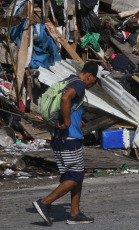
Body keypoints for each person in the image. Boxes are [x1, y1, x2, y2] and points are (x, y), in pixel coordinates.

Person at [32, 63, 100, 226]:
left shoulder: (68, 80)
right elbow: (65, 98)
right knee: (76, 175)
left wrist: (75, 120)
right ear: (89, 76)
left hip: (59, 136)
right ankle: (45, 202)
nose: (93, 85)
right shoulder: (79, 84)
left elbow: (68, 104)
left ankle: (74, 214)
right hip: (68, 138)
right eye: (94, 81)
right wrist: (69, 122)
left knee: (76, 174)